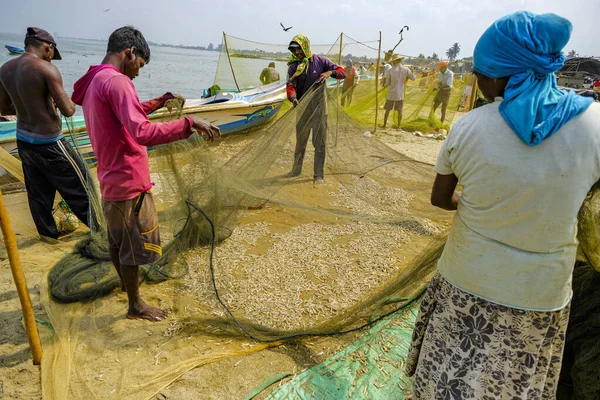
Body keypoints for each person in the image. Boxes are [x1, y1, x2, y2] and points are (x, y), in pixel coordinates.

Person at [405, 11, 599, 399]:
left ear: (501, 74)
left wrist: (478, 205)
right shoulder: (594, 124)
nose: (477, 80)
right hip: (541, 295)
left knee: (447, 374)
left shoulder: (470, 125)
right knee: (513, 384)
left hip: (467, 280)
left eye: (481, 71)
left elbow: (440, 198)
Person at [71, 26, 220, 322]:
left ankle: (130, 292)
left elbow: (129, 113)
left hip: (110, 177)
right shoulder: (118, 82)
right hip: (128, 179)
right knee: (131, 245)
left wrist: (159, 101)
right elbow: (141, 131)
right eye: (139, 64)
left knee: (117, 241)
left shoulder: (96, 81)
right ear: (129, 53)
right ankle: (136, 305)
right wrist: (189, 122)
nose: (138, 72)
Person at [0, 27, 98, 242]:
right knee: (82, 187)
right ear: (48, 48)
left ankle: (48, 237)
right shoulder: (46, 69)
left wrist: (32, 105)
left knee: (38, 195)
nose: (52, 58)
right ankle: (101, 232)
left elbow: (5, 109)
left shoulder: (5, 68)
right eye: (52, 53)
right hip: (51, 143)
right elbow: (69, 110)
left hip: (24, 142)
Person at [285, 34, 345, 184]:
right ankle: (296, 170)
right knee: (301, 141)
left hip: (320, 109)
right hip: (302, 109)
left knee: (320, 142)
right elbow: (289, 86)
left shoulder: (321, 61)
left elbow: (342, 72)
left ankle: (318, 175)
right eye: (294, 50)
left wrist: (329, 73)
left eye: (299, 49)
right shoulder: (293, 67)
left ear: (305, 47)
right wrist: (293, 98)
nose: (297, 53)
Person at [380, 54, 415, 129]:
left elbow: (387, 83)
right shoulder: (406, 69)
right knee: (399, 111)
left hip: (391, 94)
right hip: (400, 94)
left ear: (394, 61)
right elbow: (413, 78)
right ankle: (398, 126)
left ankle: (384, 125)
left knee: (387, 110)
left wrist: (383, 84)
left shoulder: (391, 70)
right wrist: (410, 73)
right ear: (399, 61)